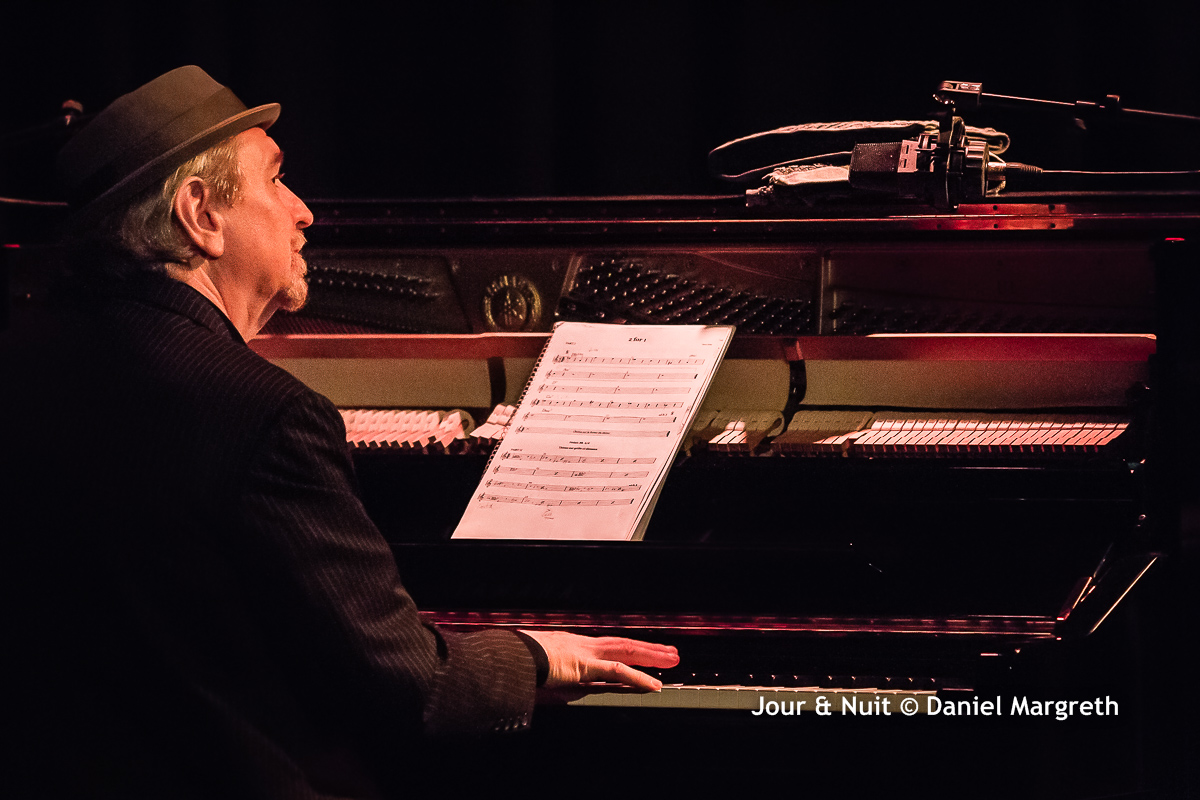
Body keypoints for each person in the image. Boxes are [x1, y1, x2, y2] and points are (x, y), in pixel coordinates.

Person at [2, 66, 677, 799]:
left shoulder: (26, 358)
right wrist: (537, 657)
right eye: (275, 179)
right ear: (201, 214)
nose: (304, 212)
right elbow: (415, 690)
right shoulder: (267, 414)